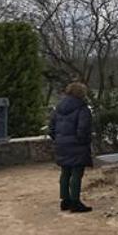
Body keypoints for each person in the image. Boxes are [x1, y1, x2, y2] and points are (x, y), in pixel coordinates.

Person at [49, 82, 93, 213]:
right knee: (76, 173)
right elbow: (83, 129)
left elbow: (51, 128)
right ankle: (75, 201)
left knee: (65, 172)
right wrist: (84, 142)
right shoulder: (82, 108)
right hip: (77, 145)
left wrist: (59, 139)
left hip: (61, 144)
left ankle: (65, 200)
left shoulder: (58, 108)